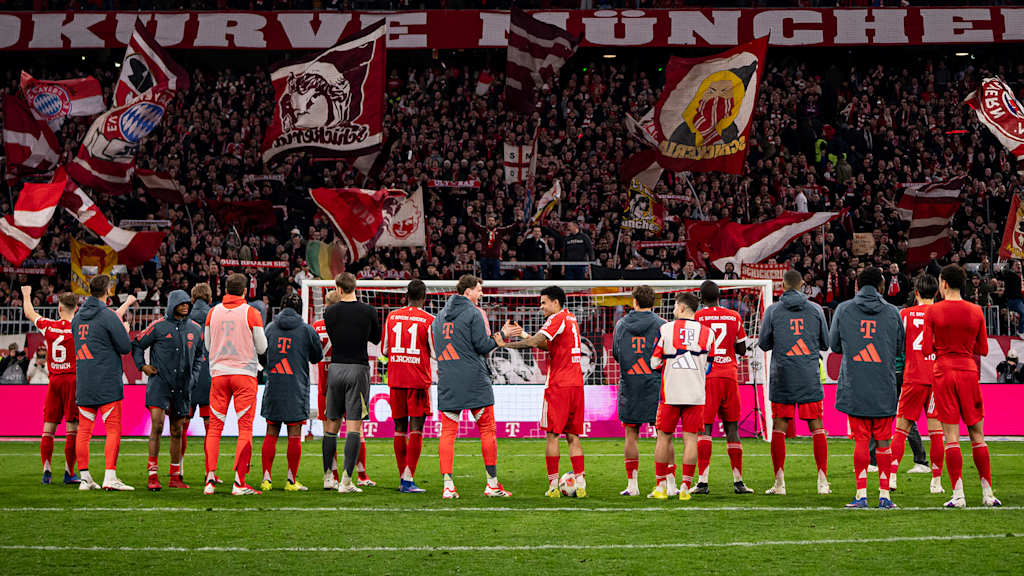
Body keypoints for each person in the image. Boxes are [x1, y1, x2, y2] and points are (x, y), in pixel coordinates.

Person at [430, 274, 517, 499]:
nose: (482, 294)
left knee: (448, 432)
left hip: (448, 379)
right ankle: (492, 484)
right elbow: (483, 346)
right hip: (474, 379)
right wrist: (503, 335)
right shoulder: (474, 313)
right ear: (468, 291)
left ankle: (448, 486)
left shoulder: (438, 317)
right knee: (487, 429)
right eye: (479, 290)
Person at [922, 264, 1001, 508]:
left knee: (951, 437)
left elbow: (926, 349)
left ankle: (958, 495)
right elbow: (984, 349)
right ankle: (987, 493)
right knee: (978, 435)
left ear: (943, 283)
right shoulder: (976, 310)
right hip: (968, 372)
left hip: (944, 373)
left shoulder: (933, 311)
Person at [829, 267, 904, 509]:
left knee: (861, 441)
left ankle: (861, 495)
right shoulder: (893, 313)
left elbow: (834, 346)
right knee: (883, 441)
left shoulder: (844, 309)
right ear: (881, 286)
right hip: (883, 384)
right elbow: (899, 348)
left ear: (857, 286)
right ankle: (885, 496)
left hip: (855, 384)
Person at [504, 286, 588, 498]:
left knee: (552, 435)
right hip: (576, 384)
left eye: (543, 302)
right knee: (573, 436)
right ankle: (580, 484)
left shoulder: (556, 319)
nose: (541, 307)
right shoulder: (570, 319)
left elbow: (534, 342)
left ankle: (552, 487)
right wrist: (523, 332)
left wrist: (505, 344)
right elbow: (549, 347)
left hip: (559, 385)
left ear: (555, 302)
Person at [758, 269, 831, 496]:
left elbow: (763, 343)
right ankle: (822, 482)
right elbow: (825, 343)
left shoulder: (773, 311)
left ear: (783, 285)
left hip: (783, 375)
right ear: (802, 285)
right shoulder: (816, 309)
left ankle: (780, 483)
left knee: (779, 426)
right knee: (816, 426)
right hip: (808, 374)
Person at [132, 290, 205, 491]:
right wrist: (143, 366)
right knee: (156, 426)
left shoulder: (195, 329)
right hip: (160, 384)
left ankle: (174, 476)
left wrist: (195, 376)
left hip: (183, 386)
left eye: (186, 304)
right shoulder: (158, 327)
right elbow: (137, 345)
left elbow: (200, 355)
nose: (185, 306)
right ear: (172, 304)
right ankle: (152, 475)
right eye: (181, 303)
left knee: (177, 430)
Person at [203, 272, 268, 496]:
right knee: (245, 429)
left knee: (214, 429)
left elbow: (208, 344)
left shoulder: (213, 312)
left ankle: (209, 479)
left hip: (219, 375)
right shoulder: (252, 313)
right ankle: (239, 482)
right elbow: (262, 348)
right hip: (243, 375)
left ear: (225, 288)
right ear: (246, 290)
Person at [648, 292, 714, 501]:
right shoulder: (708, 333)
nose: (674, 310)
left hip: (671, 394)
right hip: (695, 394)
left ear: (683, 308)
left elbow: (654, 363)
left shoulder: (665, 329)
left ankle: (660, 487)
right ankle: (685, 488)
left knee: (664, 437)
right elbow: (709, 366)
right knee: (691, 440)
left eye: (676, 306)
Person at [72, 275, 134, 491]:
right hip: (106, 381)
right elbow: (125, 347)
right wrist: (125, 330)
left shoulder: (77, 317)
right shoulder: (108, 316)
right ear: (107, 291)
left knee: (84, 431)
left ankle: (84, 478)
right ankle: (110, 476)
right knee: (113, 429)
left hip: (85, 380)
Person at [693, 280, 754, 495]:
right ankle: (738, 482)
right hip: (729, 375)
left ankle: (702, 482)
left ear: (700, 298)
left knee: (705, 429)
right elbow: (742, 349)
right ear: (720, 296)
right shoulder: (734, 316)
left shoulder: (697, 317)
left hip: (707, 376)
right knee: (732, 428)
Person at [259, 294, 323, 492]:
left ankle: (266, 479)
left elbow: (261, 355)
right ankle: (291, 480)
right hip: (296, 387)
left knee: (271, 432)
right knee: (294, 433)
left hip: (274, 385)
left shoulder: (270, 327)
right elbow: (317, 357)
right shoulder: (306, 330)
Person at [323, 272, 380, 494]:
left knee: (331, 425)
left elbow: (333, 334)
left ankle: (329, 476)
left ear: (338, 288)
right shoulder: (368, 311)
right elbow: (376, 338)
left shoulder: (330, 312)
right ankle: (346, 481)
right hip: (358, 369)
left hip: (336, 368)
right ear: (355, 287)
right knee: (354, 425)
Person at [22, 287, 84, 485]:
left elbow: (29, 313)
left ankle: (47, 471)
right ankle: (69, 472)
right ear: (75, 309)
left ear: (59, 308)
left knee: (48, 428)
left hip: (54, 381)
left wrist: (26, 294)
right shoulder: (80, 328)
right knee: (72, 427)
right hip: (72, 380)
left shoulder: (48, 326)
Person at [611, 285, 665, 496]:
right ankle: (666, 482)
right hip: (655, 384)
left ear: (634, 301)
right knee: (663, 435)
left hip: (630, 383)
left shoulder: (621, 324)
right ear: (653, 302)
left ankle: (632, 485)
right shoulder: (662, 325)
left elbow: (616, 352)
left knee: (631, 435)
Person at [895, 274, 946, 495]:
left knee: (901, 429)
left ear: (916, 293)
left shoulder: (904, 315)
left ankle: (892, 477)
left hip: (913, 377)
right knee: (936, 432)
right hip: (937, 378)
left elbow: (897, 347)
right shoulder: (944, 314)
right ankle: (936, 481)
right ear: (936, 293)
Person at [381, 279, 433, 493]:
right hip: (417, 380)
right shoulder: (429, 319)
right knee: (416, 429)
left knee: (399, 428)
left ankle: (403, 476)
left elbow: (384, 350)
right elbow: (436, 352)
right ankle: (408, 479)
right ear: (424, 297)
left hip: (396, 379)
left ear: (406, 295)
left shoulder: (392, 316)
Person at [183, 282, 215, 485]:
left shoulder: (184, 316)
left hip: (187, 377)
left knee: (181, 427)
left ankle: (177, 469)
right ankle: (210, 473)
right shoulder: (216, 315)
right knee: (210, 427)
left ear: (192, 299)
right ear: (210, 298)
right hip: (210, 376)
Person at [312, 289, 341, 485]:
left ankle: (329, 476)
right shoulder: (345, 325)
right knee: (357, 429)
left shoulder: (316, 326)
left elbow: (312, 356)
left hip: (324, 383)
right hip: (344, 381)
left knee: (327, 432)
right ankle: (362, 475)